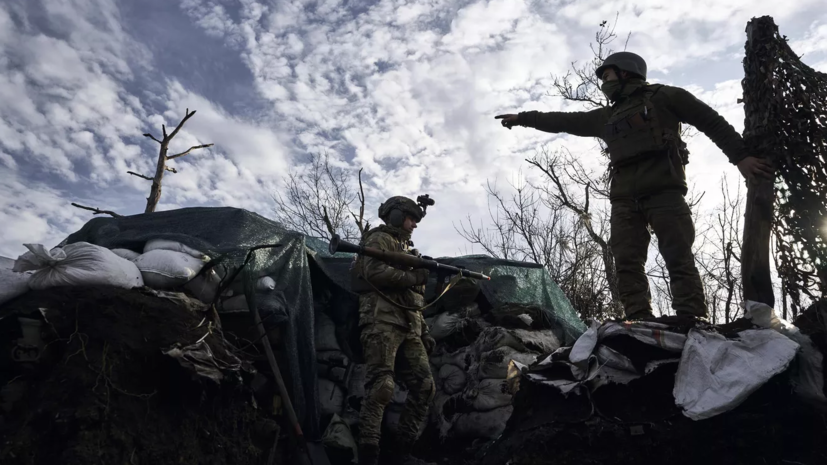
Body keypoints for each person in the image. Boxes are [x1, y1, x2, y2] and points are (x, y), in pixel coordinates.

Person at [495, 51, 773, 320]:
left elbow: (711, 122)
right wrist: (524, 119)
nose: (605, 82)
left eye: (608, 74)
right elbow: (562, 121)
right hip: (624, 201)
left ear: (626, 72)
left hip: (665, 192)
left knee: (678, 257)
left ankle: (692, 317)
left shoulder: (665, 97)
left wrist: (740, 157)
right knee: (626, 262)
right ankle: (638, 318)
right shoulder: (606, 118)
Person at [350, 196, 436, 465]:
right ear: (397, 216)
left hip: (409, 325)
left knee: (425, 386)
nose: (413, 225)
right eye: (411, 218)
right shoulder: (379, 240)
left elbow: (414, 300)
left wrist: (424, 331)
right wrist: (414, 277)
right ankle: (369, 454)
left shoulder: (409, 250)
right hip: (382, 321)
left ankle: (402, 452)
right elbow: (374, 272)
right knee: (382, 386)